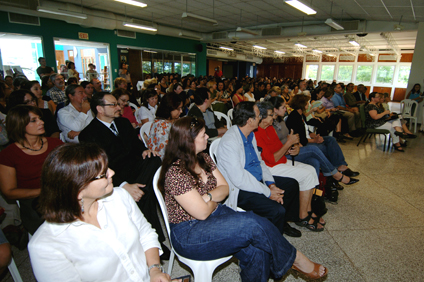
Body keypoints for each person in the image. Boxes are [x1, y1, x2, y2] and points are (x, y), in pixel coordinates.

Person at [159, 116, 328, 282]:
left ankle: (287, 261)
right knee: (251, 223)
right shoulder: (175, 173)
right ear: (188, 141)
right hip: (189, 232)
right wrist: (212, 200)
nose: (206, 137)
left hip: (215, 215)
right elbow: (202, 213)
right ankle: (295, 259)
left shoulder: (203, 158)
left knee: (257, 246)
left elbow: (224, 188)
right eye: (202, 135)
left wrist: (207, 197)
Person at [28, 143, 173, 282]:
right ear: (77, 190)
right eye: (103, 174)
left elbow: (146, 234)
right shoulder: (46, 246)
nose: (112, 173)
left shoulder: (119, 197)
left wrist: (154, 270)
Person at [79, 92, 169, 257]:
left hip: (135, 170)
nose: (119, 107)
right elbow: (99, 168)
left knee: (154, 160)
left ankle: (137, 196)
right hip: (113, 176)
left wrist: (145, 150)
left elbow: (136, 145)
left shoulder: (123, 123)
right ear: (99, 109)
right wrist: (123, 185)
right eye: (113, 105)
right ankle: (155, 242)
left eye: (117, 104)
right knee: (147, 195)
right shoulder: (88, 134)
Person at [216, 102, 301, 237]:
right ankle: (273, 242)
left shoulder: (250, 134)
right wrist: (268, 192)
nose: (260, 118)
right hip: (240, 189)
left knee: (291, 185)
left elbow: (259, 162)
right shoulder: (229, 142)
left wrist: (271, 184)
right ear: (250, 121)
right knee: (276, 210)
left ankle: (281, 223)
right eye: (257, 115)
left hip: (256, 179)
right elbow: (240, 179)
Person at [255, 101, 324, 231]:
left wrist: (292, 149)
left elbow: (278, 149)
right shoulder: (256, 132)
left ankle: (307, 210)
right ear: (261, 117)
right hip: (269, 167)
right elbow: (271, 159)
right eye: (270, 115)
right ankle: (302, 216)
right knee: (307, 174)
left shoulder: (269, 128)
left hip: (279, 161)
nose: (274, 117)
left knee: (310, 170)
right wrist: (288, 143)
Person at [0, 105, 63, 234]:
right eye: (34, 120)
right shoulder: (9, 155)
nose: (42, 122)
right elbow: (9, 191)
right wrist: (43, 191)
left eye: (40, 118)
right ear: (20, 125)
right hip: (34, 200)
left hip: (61, 193)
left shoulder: (55, 144)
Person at [270, 96, 357, 187]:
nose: (286, 109)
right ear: (275, 109)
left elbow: (292, 135)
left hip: (292, 148)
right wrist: (307, 141)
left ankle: (315, 190)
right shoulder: (281, 121)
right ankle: (335, 175)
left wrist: (305, 139)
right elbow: (295, 139)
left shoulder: (281, 120)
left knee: (315, 160)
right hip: (286, 153)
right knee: (318, 149)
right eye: (283, 107)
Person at [147, 93, 183, 159]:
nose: (181, 111)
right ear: (170, 108)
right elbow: (165, 153)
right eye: (178, 109)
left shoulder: (168, 121)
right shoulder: (162, 127)